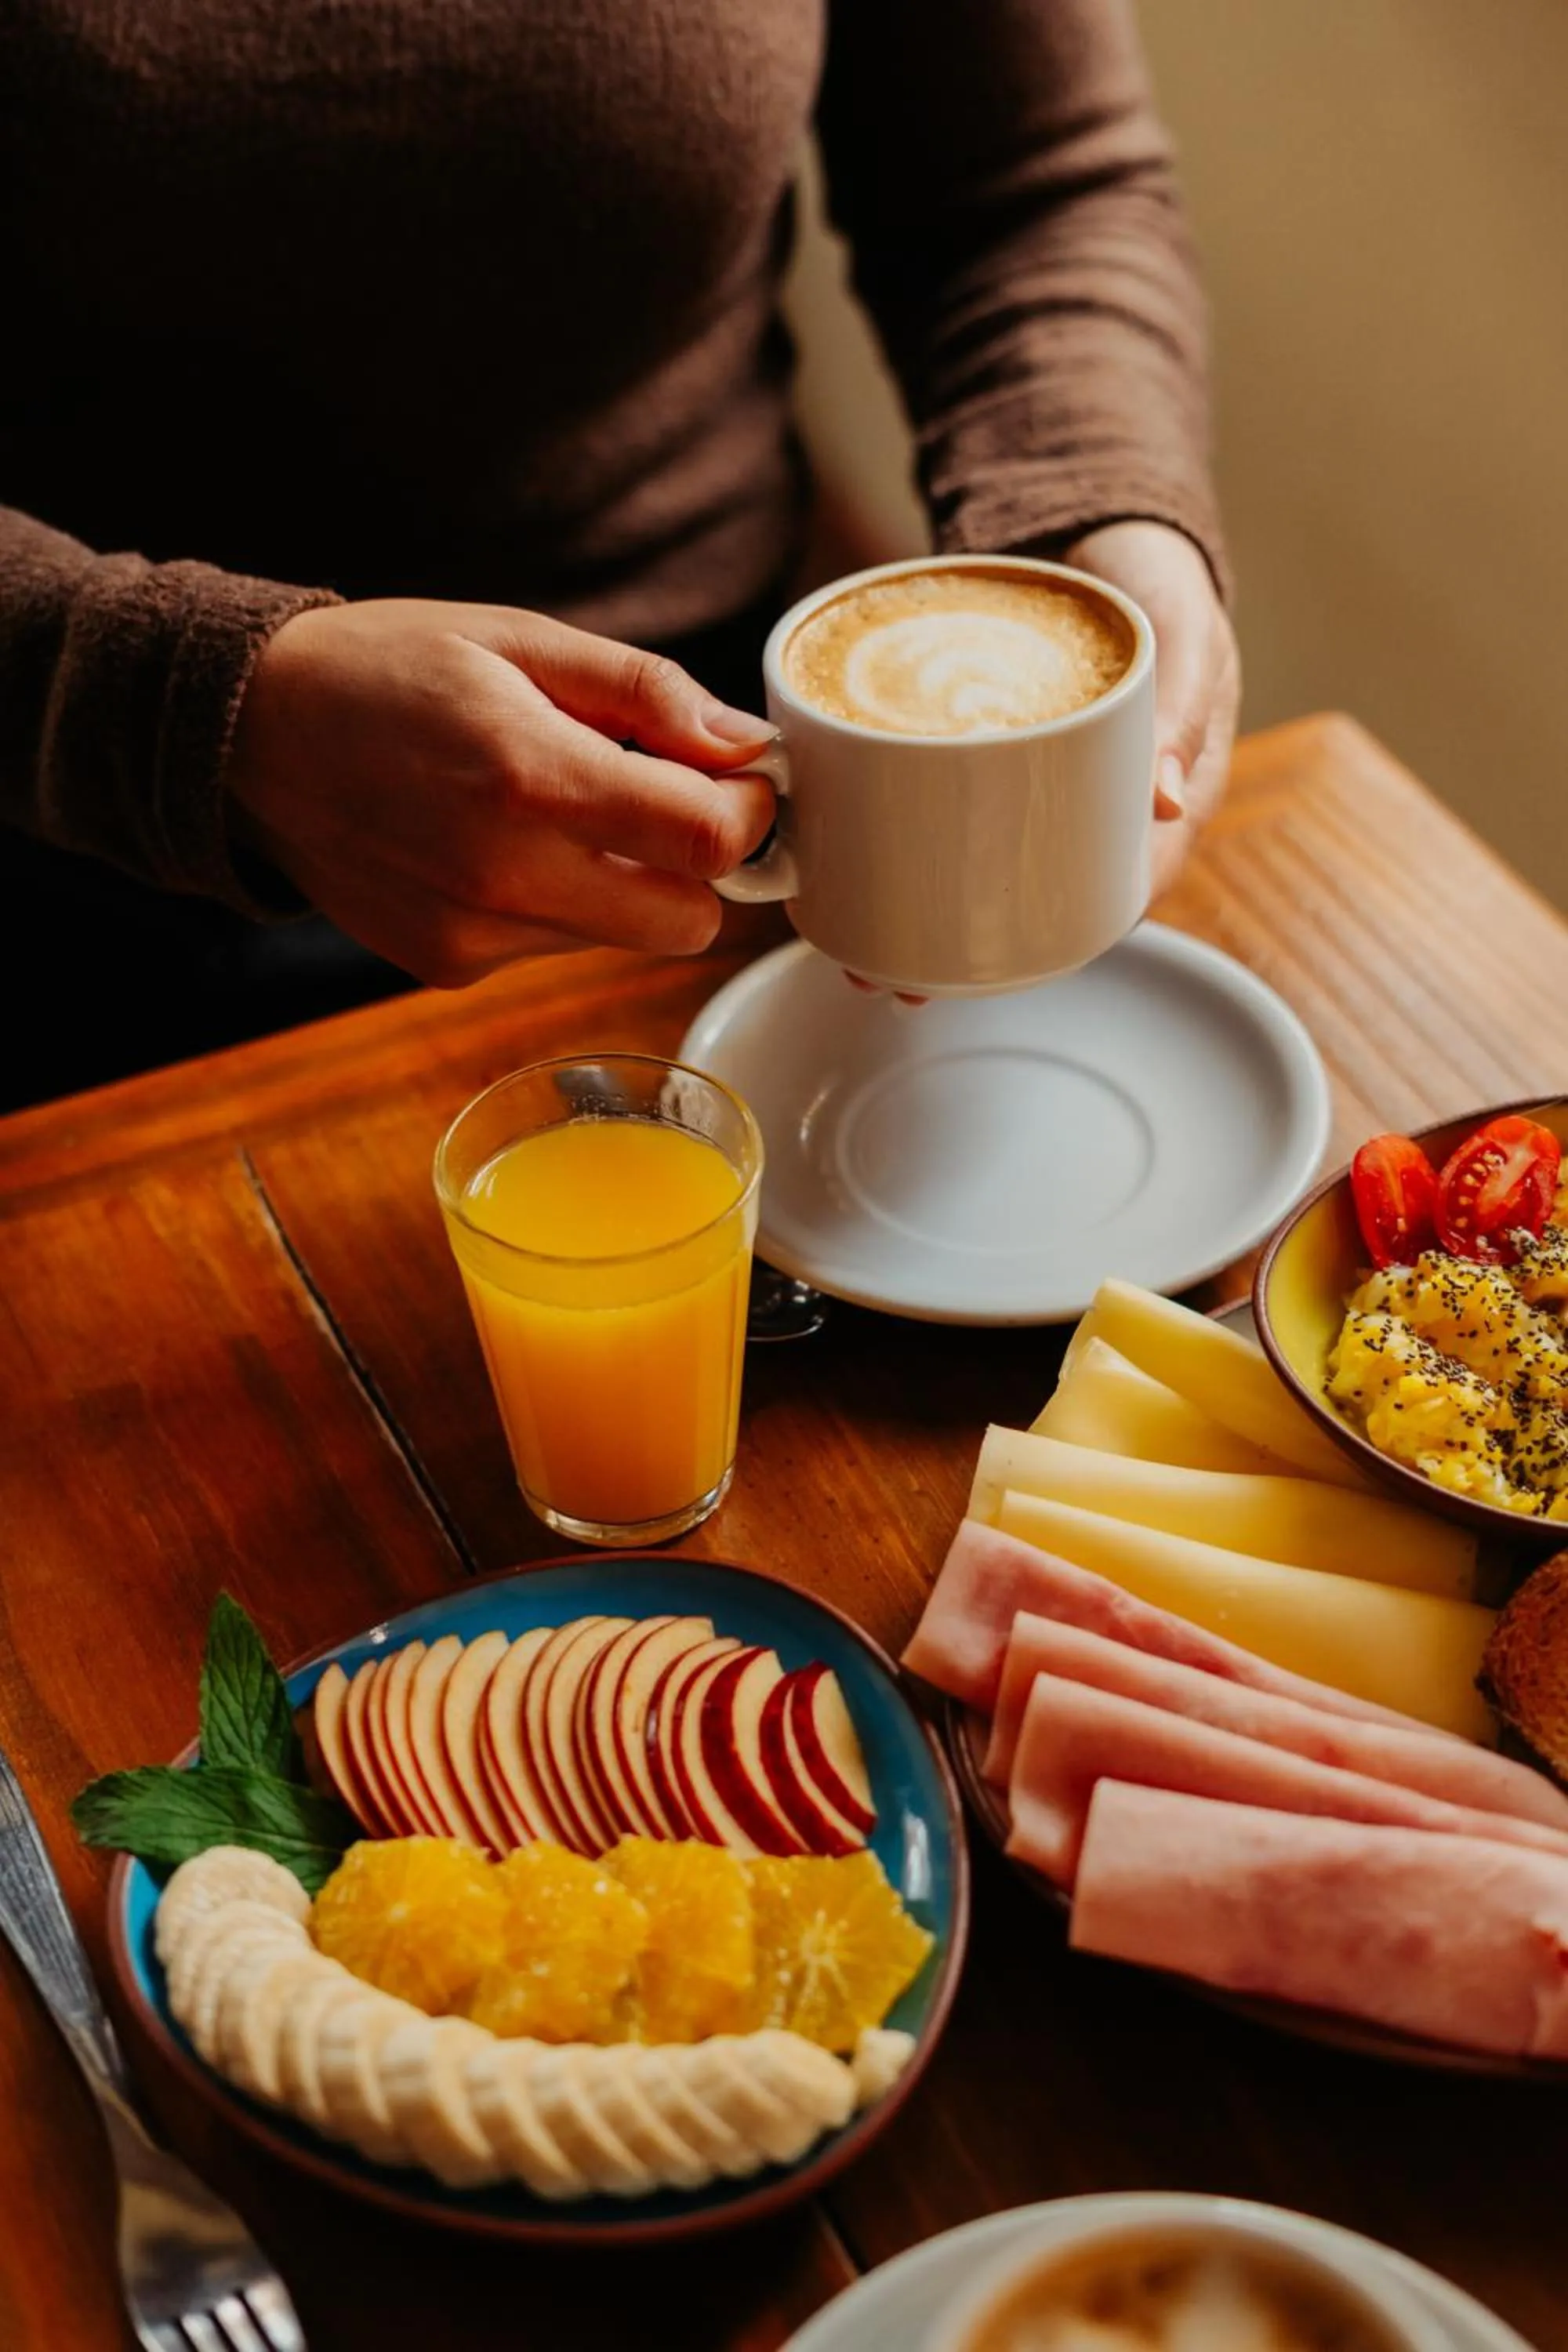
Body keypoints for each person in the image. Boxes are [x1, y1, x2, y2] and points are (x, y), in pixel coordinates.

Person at [0, 0, 1237, 1107]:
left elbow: (1027, 185)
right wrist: (188, 706)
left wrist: (1108, 512)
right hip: (77, 884)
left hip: (749, 818)